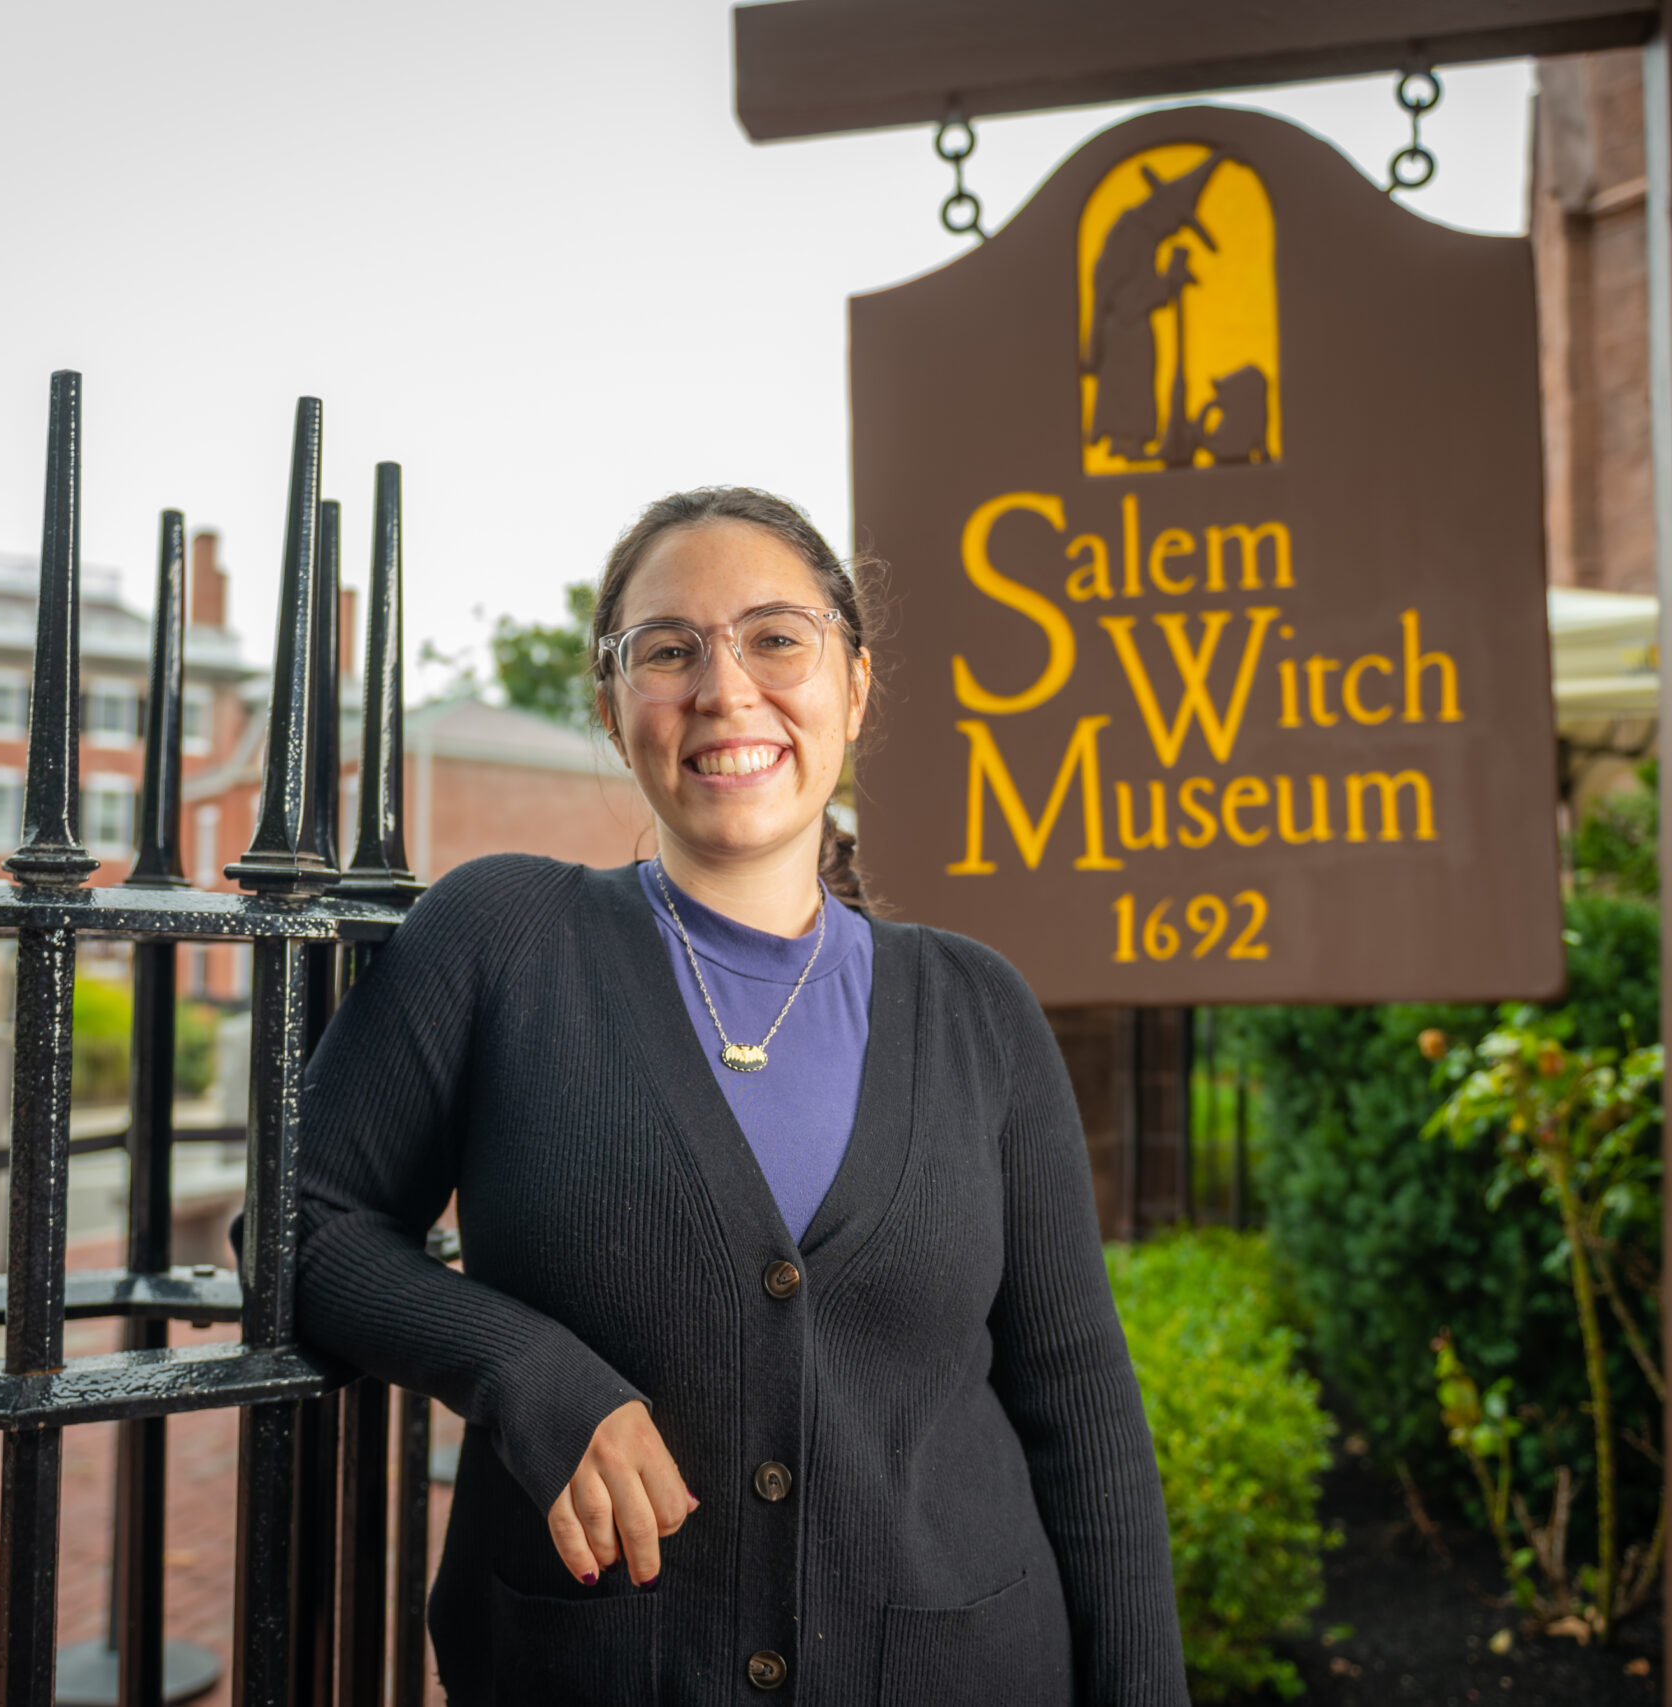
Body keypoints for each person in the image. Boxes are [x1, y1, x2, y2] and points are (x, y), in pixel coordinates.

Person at [294, 488, 1186, 1706]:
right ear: (614, 712)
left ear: (855, 685)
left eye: (776, 636)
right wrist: (523, 1371)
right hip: (596, 1668)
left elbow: (1081, 1413)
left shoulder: (978, 1009)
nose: (725, 690)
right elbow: (302, 1231)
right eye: (669, 650)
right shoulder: (499, 939)